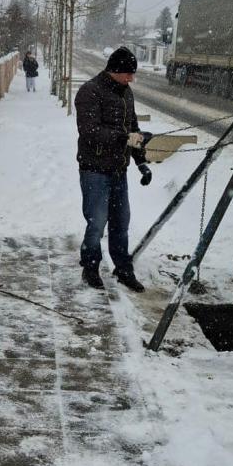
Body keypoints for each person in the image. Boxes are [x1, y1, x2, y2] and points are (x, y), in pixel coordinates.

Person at [74, 46, 153, 292]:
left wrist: (141, 161)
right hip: (94, 170)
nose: (131, 78)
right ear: (114, 70)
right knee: (97, 223)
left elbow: (132, 127)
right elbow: (89, 130)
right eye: (128, 74)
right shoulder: (90, 91)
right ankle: (90, 267)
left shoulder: (126, 92)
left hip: (119, 170)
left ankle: (123, 269)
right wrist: (123, 138)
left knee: (121, 223)